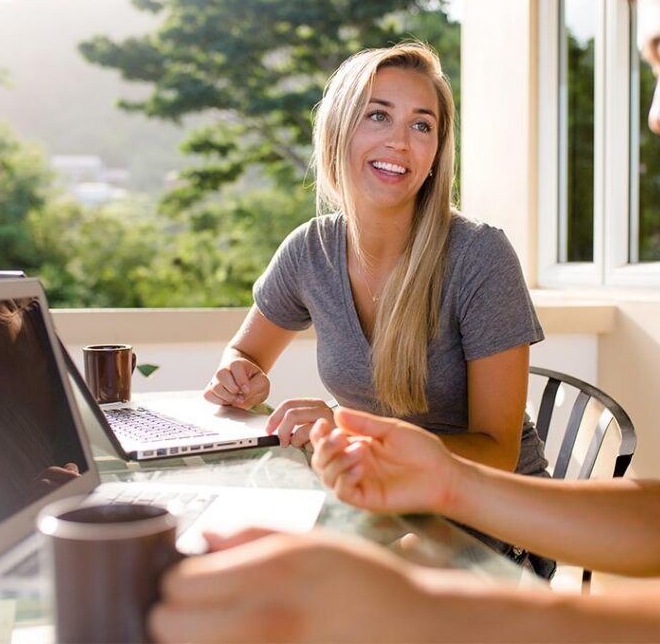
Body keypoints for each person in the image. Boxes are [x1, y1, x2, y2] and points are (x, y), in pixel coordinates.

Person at [149, 0, 660, 641]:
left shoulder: (476, 254)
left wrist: (449, 610)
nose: (657, 113)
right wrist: (446, 480)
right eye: (377, 116)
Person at [200, 43, 551, 565]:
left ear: (436, 154)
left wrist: (344, 428)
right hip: (383, 500)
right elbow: (245, 353)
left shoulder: (479, 256)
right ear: (338, 131)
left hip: (492, 514)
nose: (399, 142)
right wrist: (239, 375)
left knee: (336, 584)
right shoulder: (310, 251)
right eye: (378, 115)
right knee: (248, 552)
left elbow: (497, 453)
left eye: (421, 125)